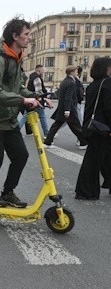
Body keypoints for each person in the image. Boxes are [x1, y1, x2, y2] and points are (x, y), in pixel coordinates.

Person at [0, 17, 46, 208]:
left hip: (8, 117)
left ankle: (8, 192)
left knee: (21, 155)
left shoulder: (16, 59)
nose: (29, 38)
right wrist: (22, 100)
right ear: (15, 36)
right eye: (26, 34)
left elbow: (16, 88)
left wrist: (35, 96)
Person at [75, 57, 111, 200]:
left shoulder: (93, 85)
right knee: (94, 160)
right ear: (106, 68)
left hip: (93, 127)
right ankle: (85, 191)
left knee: (104, 157)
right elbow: (109, 109)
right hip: (103, 128)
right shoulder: (107, 84)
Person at [43, 66, 88, 150]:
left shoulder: (65, 81)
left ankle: (48, 142)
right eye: (76, 71)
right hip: (69, 108)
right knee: (76, 126)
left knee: (57, 125)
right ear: (71, 72)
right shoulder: (71, 83)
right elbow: (68, 97)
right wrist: (67, 110)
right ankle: (83, 142)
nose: (77, 73)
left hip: (63, 108)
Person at [19, 65, 50, 137]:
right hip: (36, 100)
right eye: (43, 70)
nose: (43, 72)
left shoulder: (31, 78)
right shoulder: (37, 78)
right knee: (42, 116)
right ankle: (47, 134)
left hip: (31, 99)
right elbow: (39, 91)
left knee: (25, 116)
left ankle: (17, 131)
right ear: (39, 71)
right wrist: (44, 98)